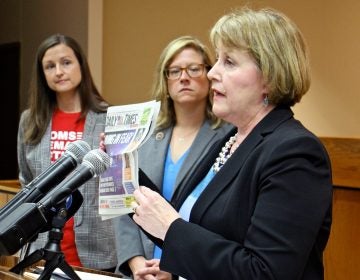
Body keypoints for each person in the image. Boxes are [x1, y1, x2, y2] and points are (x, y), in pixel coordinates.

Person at [130, 8, 333, 280]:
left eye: (229, 62)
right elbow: (179, 223)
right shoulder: (230, 139)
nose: (212, 73)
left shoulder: (295, 153)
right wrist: (122, 164)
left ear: (270, 78)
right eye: (216, 60)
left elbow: (264, 273)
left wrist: (172, 229)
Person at [110, 36, 233, 279]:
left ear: (209, 74)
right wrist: (135, 262)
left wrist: (177, 267)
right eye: (174, 71)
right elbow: (125, 203)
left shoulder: (229, 136)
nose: (184, 77)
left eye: (194, 69)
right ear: (165, 81)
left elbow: (221, 218)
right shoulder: (143, 135)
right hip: (143, 268)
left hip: (192, 268)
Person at [17, 34, 118, 271]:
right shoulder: (29, 121)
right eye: (50, 66)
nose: (59, 71)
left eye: (66, 62)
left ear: (81, 65)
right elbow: (26, 181)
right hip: (41, 246)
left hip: (96, 248)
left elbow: (117, 183)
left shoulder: (108, 117)